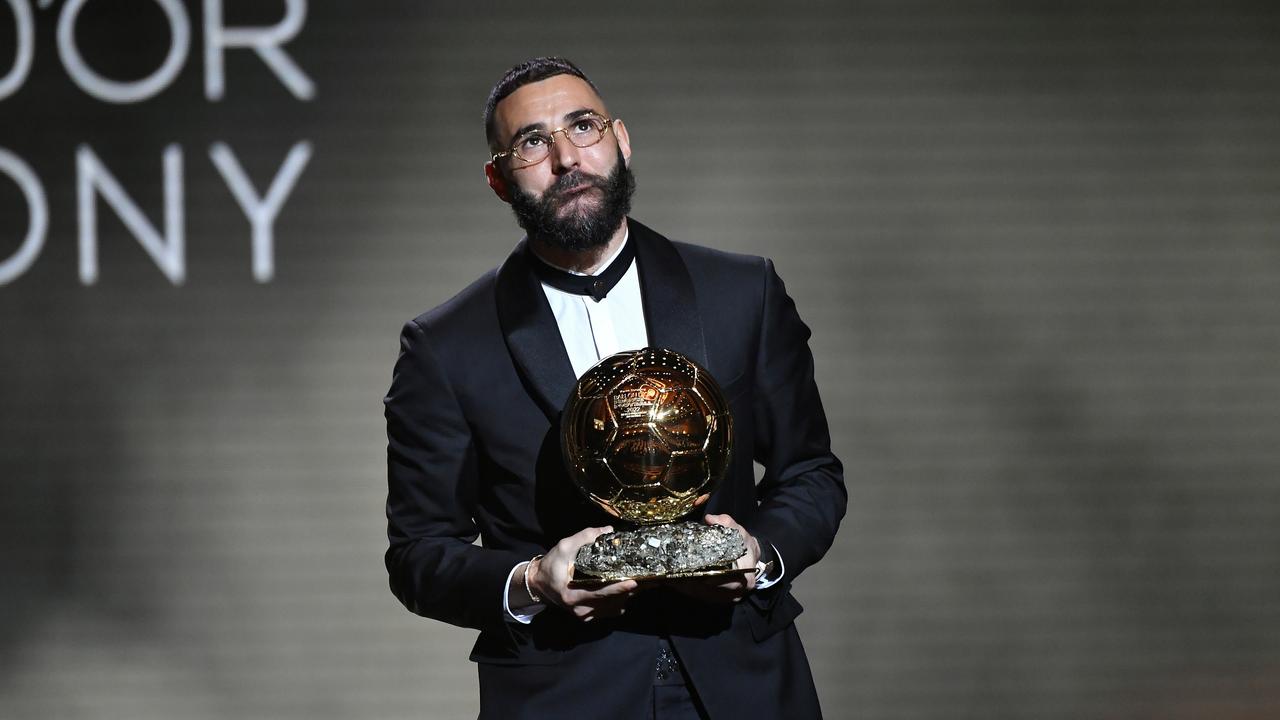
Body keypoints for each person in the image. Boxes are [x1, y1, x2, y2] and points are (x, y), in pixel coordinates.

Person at [384, 57, 845, 719]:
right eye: (533, 142)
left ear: (620, 140)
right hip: (563, 695)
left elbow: (811, 472)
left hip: (745, 682)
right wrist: (530, 580)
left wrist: (759, 552)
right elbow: (419, 554)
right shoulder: (445, 346)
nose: (567, 156)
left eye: (583, 126)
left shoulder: (743, 292)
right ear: (497, 178)